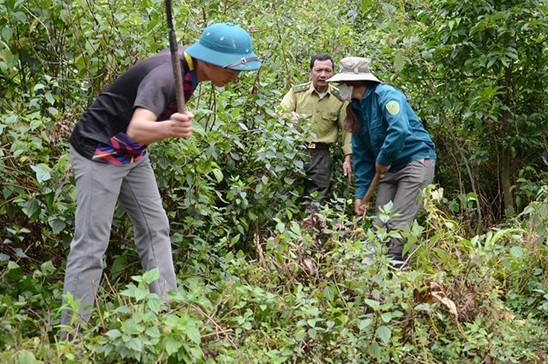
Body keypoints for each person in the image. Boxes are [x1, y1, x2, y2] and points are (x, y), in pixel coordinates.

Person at [61, 22, 261, 334]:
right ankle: (70, 338)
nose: (237, 76)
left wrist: (164, 128)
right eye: (234, 69)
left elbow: (137, 136)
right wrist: (170, 128)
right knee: (91, 245)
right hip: (99, 152)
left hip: (132, 154)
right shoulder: (166, 75)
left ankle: (169, 318)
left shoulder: (192, 69)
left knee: (156, 229)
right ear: (212, 59)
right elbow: (138, 128)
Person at [327, 57, 435, 268]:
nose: (339, 89)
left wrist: (384, 159)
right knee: (380, 222)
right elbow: (362, 157)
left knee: (398, 222)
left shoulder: (387, 96)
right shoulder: (356, 109)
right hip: (386, 171)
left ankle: (398, 273)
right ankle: (369, 274)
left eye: (341, 84)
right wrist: (361, 196)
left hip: (414, 161)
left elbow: (399, 130)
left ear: (353, 83)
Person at [280, 54, 352, 211]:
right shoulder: (297, 93)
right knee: (286, 195)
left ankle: (310, 231)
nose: (323, 75)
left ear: (333, 73)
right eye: (319, 70)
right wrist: (289, 116)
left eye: (327, 70)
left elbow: (347, 129)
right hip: (294, 151)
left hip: (321, 154)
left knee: (316, 201)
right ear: (310, 71)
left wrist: (348, 156)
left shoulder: (339, 98)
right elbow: (279, 112)